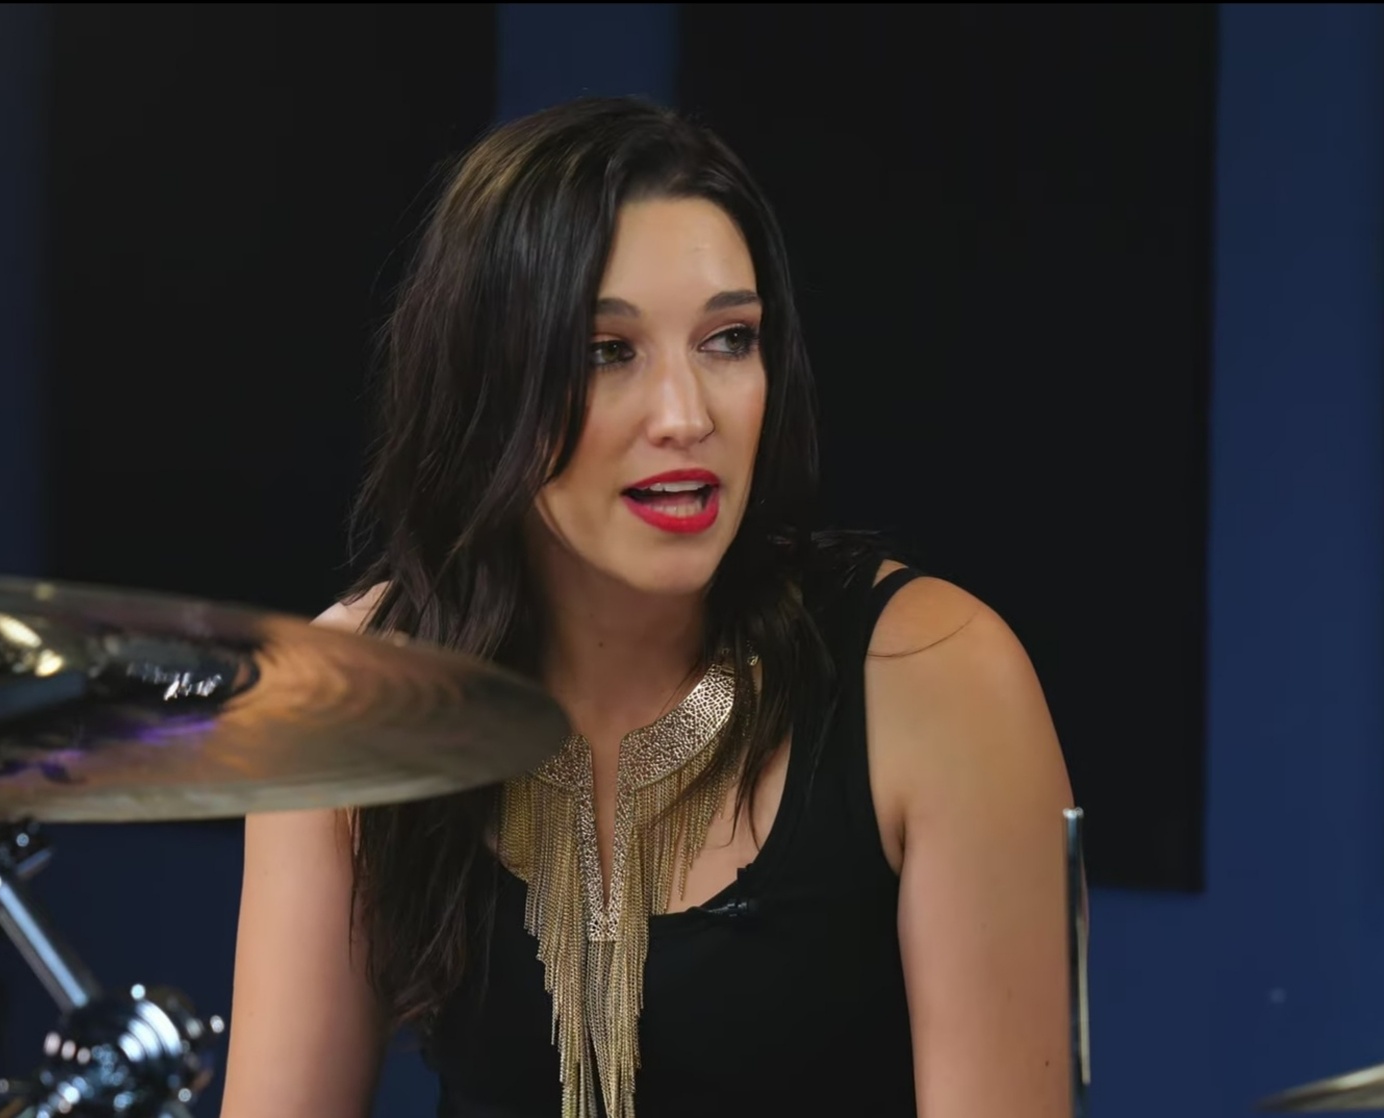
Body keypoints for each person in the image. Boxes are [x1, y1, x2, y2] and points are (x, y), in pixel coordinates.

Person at [219, 96, 1075, 1118]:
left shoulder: (936, 676)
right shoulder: (346, 696)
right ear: (488, 381)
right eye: (606, 350)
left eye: (729, 339)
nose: (686, 415)